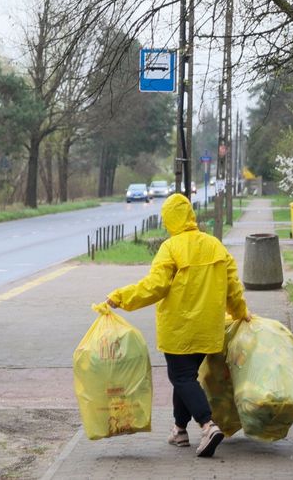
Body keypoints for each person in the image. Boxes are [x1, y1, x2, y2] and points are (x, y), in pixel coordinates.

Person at [106, 192, 251, 458]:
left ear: (170, 220)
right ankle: (179, 430)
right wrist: (241, 313)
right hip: (209, 329)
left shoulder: (170, 248)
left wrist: (121, 297)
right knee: (186, 378)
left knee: (181, 377)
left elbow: (155, 286)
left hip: (179, 329)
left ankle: (207, 425)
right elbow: (233, 288)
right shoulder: (216, 246)